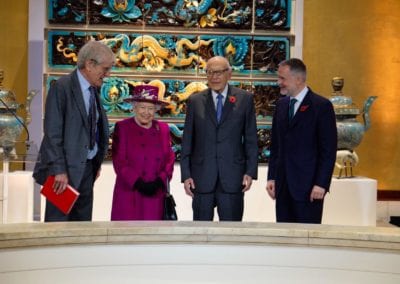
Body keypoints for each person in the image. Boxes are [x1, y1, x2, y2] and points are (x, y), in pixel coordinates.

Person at [33, 41, 115, 221]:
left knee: (81, 227)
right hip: (63, 174)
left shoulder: (94, 90)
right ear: (90, 64)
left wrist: (96, 162)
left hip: (87, 169)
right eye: (106, 68)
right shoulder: (62, 87)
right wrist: (58, 170)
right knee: (58, 227)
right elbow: (52, 133)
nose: (108, 74)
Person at [180, 56, 258, 221]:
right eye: (210, 72)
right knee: (201, 234)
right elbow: (187, 140)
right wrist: (186, 175)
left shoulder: (245, 99)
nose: (214, 77)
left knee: (231, 234)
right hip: (201, 178)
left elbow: (251, 139)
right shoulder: (195, 101)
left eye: (219, 72)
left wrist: (250, 172)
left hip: (233, 177)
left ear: (229, 74)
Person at [266, 58, 337, 224]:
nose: (279, 83)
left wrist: (321, 184)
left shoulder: (321, 106)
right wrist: (272, 177)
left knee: (307, 239)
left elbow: (328, 150)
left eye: (282, 78)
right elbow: (275, 146)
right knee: (285, 238)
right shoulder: (281, 106)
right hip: (283, 187)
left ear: (298, 79)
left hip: (309, 188)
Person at [110, 85, 175, 220]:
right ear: (134, 107)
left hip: (156, 194)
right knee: (129, 236)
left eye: (151, 108)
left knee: (153, 236)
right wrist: (138, 183)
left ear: (156, 110)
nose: (146, 112)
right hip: (130, 193)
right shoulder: (123, 128)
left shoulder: (163, 129)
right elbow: (120, 161)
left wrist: (160, 181)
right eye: (142, 107)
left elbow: (169, 159)